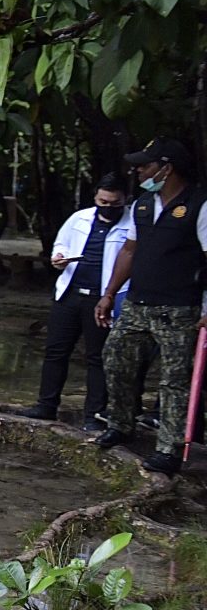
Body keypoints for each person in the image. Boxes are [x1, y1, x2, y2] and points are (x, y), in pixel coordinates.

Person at [95, 138, 207, 477]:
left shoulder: (199, 204)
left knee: (174, 380)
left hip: (180, 308)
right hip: (137, 303)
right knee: (115, 359)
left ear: (166, 168)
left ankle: (169, 448)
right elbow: (129, 250)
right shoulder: (143, 204)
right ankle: (120, 424)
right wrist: (109, 293)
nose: (139, 171)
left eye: (145, 166)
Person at [16, 174, 132, 430]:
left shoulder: (132, 223)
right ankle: (46, 405)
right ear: (95, 197)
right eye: (103, 202)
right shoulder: (79, 218)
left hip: (103, 299)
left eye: (115, 203)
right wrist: (60, 257)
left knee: (98, 357)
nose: (108, 208)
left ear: (125, 200)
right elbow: (62, 243)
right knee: (56, 350)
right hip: (70, 294)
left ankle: (94, 415)